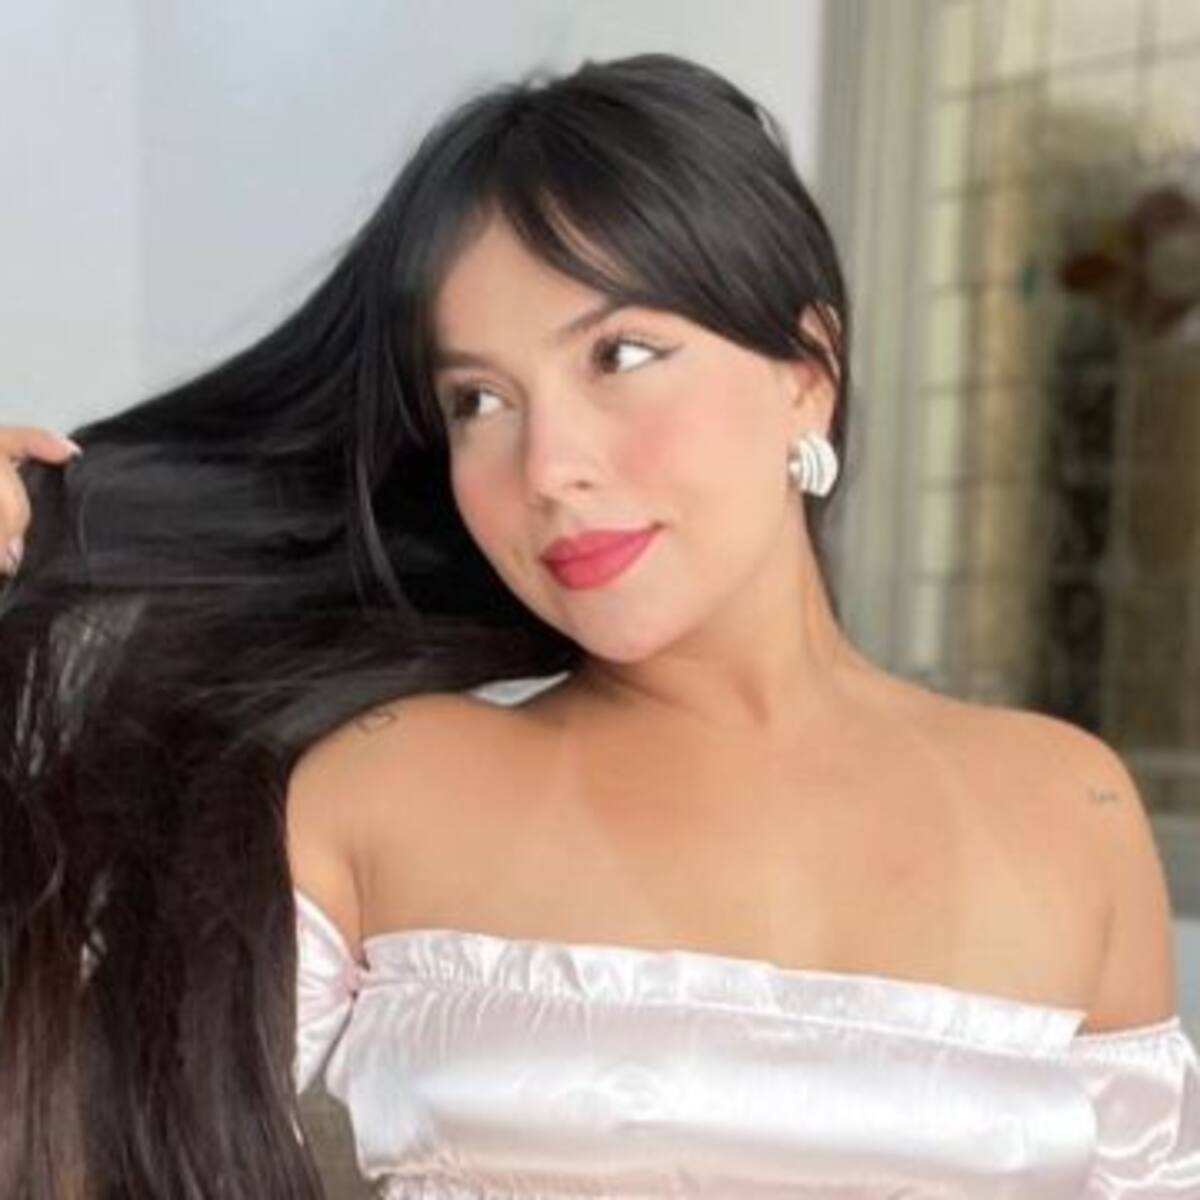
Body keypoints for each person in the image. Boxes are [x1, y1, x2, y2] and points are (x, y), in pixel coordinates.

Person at [2, 52, 1198, 1198]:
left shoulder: (1067, 813)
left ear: (807, 371)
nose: (549, 467)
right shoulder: (385, 791)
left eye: (620, 354)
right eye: (479, 399)